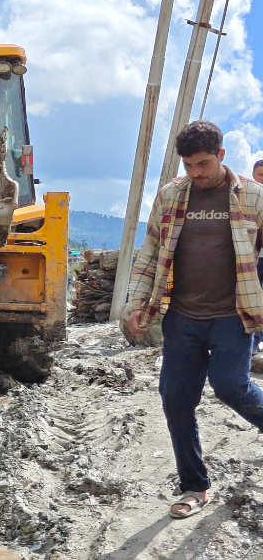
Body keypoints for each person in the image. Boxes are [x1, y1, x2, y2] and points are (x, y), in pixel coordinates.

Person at [125, 120, 263, 520]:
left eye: (203, 164)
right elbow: (150, 249)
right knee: (175, 398)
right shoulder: (171, 196)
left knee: (231, 386)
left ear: (221, 156)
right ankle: (195, 485)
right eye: (189, 165)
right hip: (183, 316)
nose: (196, 173)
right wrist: (136, 303)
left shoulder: (253, 196)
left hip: (232, 315)